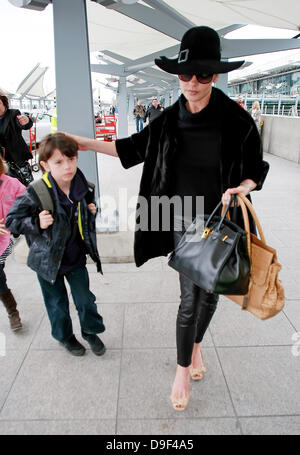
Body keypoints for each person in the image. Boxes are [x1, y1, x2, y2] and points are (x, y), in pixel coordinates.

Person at [66, 26, 269, 409]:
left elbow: (256, 168)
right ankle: (182, 366)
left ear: (216, 75)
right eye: (184, 74)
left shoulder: (236, 120)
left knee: (211, 294)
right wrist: (80, 142)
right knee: (190, 298)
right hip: (177, 218)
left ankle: (195, 346)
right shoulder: (168, 118)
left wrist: (243, 187)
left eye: (203, 75)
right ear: (176, 73)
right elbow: (129, 148)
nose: (192, 83)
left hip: (219, 220)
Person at [6, 132, 106, 357]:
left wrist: (92, 212)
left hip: (75, 257)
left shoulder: (84, 187)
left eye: (71, 159)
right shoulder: (36, 191)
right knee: (57, 304)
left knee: (85, 300)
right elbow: (12, 221)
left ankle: (90, 332)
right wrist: (36, 222)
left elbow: (84, 216)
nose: (67, 166)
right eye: (59, 162)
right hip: (47, 261)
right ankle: (65, 337)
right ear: (45, 165)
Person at [0, 155, 26, 330]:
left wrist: (15, 219)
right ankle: (12, 311)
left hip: (6, 238)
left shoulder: (12, 184)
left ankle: (12, 312)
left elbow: (28, 201)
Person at [0, 89, 34, 186]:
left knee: (27, 189)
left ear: (3, 101)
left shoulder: (13, 114)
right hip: (3, 164)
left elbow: (24, 125)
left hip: (18, 161)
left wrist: (27, 121)